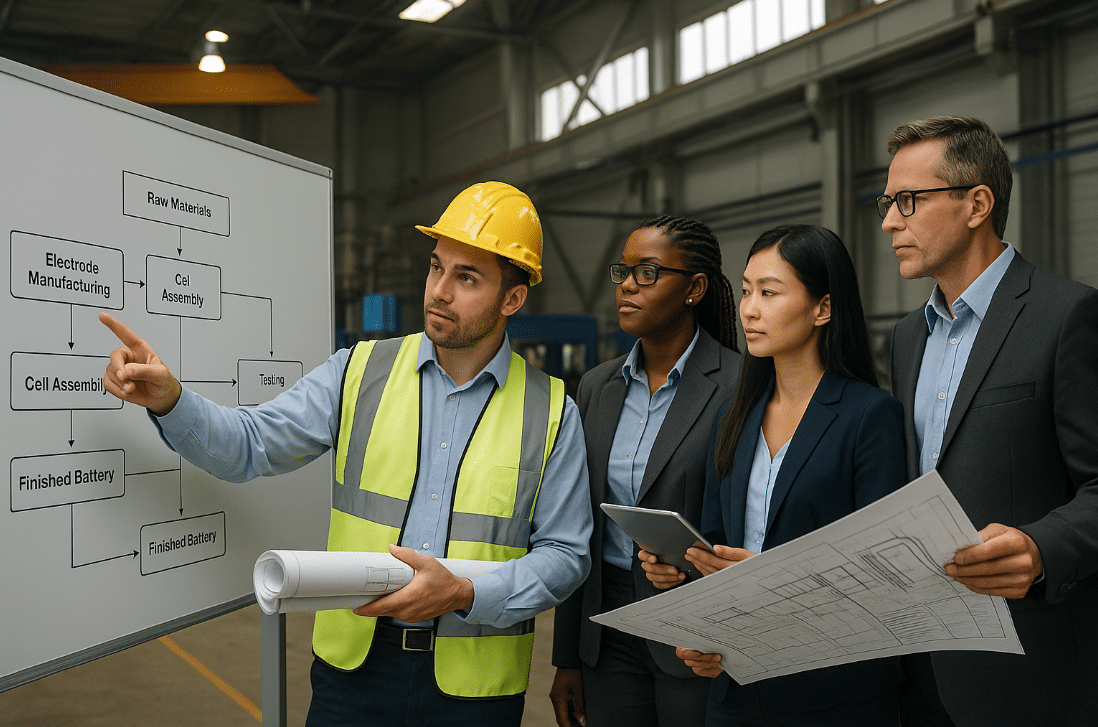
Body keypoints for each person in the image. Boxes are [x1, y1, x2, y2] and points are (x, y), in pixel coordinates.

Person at [99, 181, 594, 727]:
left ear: (513, 299)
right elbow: (249, 444)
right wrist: (172, 402)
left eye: (466, 277)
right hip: (353, 674)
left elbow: (565, 555)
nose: (439, 291)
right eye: (436, 267)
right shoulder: (359, 372)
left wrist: (465, 590)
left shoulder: (551, 411)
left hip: (475, 690)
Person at [643, 224, 907, 725]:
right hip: (737, 692)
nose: (749, 309)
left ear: (822, 309)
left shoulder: (869, 418)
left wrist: (763, 581)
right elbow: (717, 544)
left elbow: (883, 572)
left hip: (833, 696)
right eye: (745, 291)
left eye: (769, 292)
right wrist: (685, 584)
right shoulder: (734, 416)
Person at [882, 116, 1098, 727]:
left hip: (1027, 667)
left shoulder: (1066, 316)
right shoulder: (906, 339)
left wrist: (1041, 546)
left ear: (977, 203)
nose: (889, 222)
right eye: (887, 202)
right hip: (921, 665)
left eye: (908, 201)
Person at [550, 216, 741, 727]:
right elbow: (578, 527)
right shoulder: (596, 387)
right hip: (606, 628)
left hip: (694, 627)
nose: (628, 285)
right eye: (623, 272)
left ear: (694, 289)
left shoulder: (738, 385)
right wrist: (568, 656)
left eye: (648, 272)